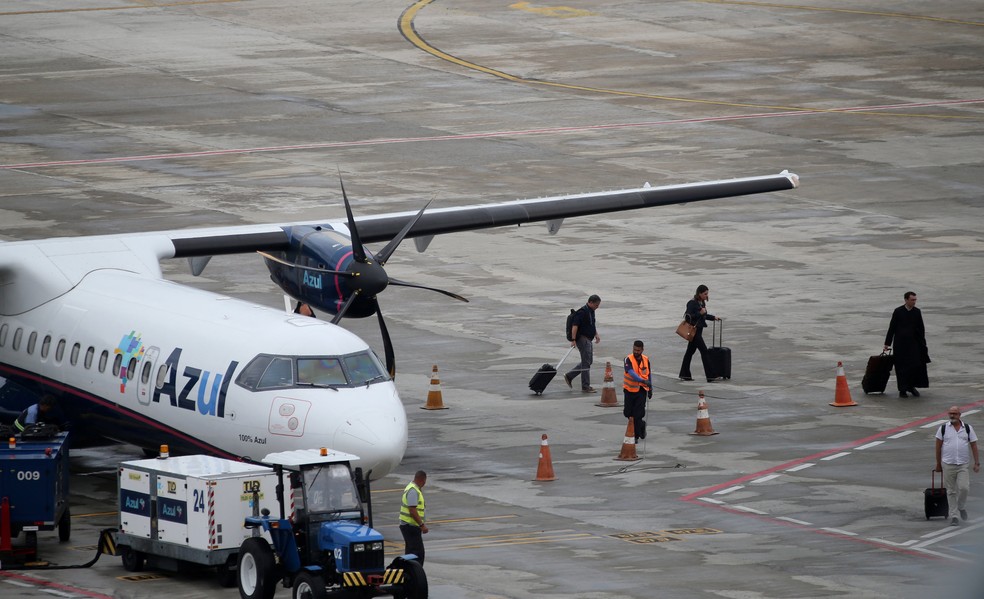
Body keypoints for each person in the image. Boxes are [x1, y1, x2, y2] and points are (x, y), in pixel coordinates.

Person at [935, 406, 979, 526]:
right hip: (948, 464)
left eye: (954, 413)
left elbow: (974, 445)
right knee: (951, 491)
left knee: (964, 488)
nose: (952, 416)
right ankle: (954, 516)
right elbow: (938, 447)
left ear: (960, 415)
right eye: (950, 413)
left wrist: (977, 463)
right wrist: (938, 463)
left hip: (963, 464)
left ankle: (961, 506)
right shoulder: (943, 428)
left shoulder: (968, 428)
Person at [883, 291, 929, 398]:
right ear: (906, 300)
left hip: (913, 345)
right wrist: (887, 343)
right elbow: (892, 328)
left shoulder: (917, 312)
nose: (914, 302)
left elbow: (921, 328)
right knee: (901, 368)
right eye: (912, 300)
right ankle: (902, 389)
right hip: (900, 345)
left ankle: (911, 386)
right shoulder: (898, 311)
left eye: (915, 300)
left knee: (914, 366)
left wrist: (922, 343)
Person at [678, 285, 722, 383]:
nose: (707, 295)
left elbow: (704, 315)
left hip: (698, 331)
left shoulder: (701, 302)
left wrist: (713, 317)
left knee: (689, 352)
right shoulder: (692, 303)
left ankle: (684, 374)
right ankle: (710, 376)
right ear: (699, 293)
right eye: (705, 294)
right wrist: (700, 313)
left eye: (707, 293)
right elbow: (688, 317)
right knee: (704, 352)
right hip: (694, 331)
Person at [564, 295, 601, 393]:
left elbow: (592, 324)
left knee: (588, 361)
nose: (597, 307)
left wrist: (596, 334)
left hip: (589, 339)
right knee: (586, 362)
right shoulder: (582, 312)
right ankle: (585, 386)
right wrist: (573, 340)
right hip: (582, 339)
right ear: (591, 302)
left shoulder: (591, 312)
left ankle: (569, 375)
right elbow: (575, 326)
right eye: (596, 305)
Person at [623, 340, 652, 442]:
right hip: (629, 390)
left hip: (641, 391)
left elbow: (649, 374)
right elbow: (631, 373)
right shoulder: (628, 359)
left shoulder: (646, 359)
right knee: (628, 413)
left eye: (638, 350)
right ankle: (641, 426)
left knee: (638, 414)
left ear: (642, 350)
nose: (636, 352)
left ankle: (635, 436)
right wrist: (642, 380)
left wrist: (650, 388)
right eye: (634, 349)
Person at [399, 470, 428, 564]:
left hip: (409, 526)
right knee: (418, 554)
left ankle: (409, 574)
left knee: (411, 552)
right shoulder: (413, 491)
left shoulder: (411, 488)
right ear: (422, 480)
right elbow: (412, 510)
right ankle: (415, 575)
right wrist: (422, 525)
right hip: (410, 526)